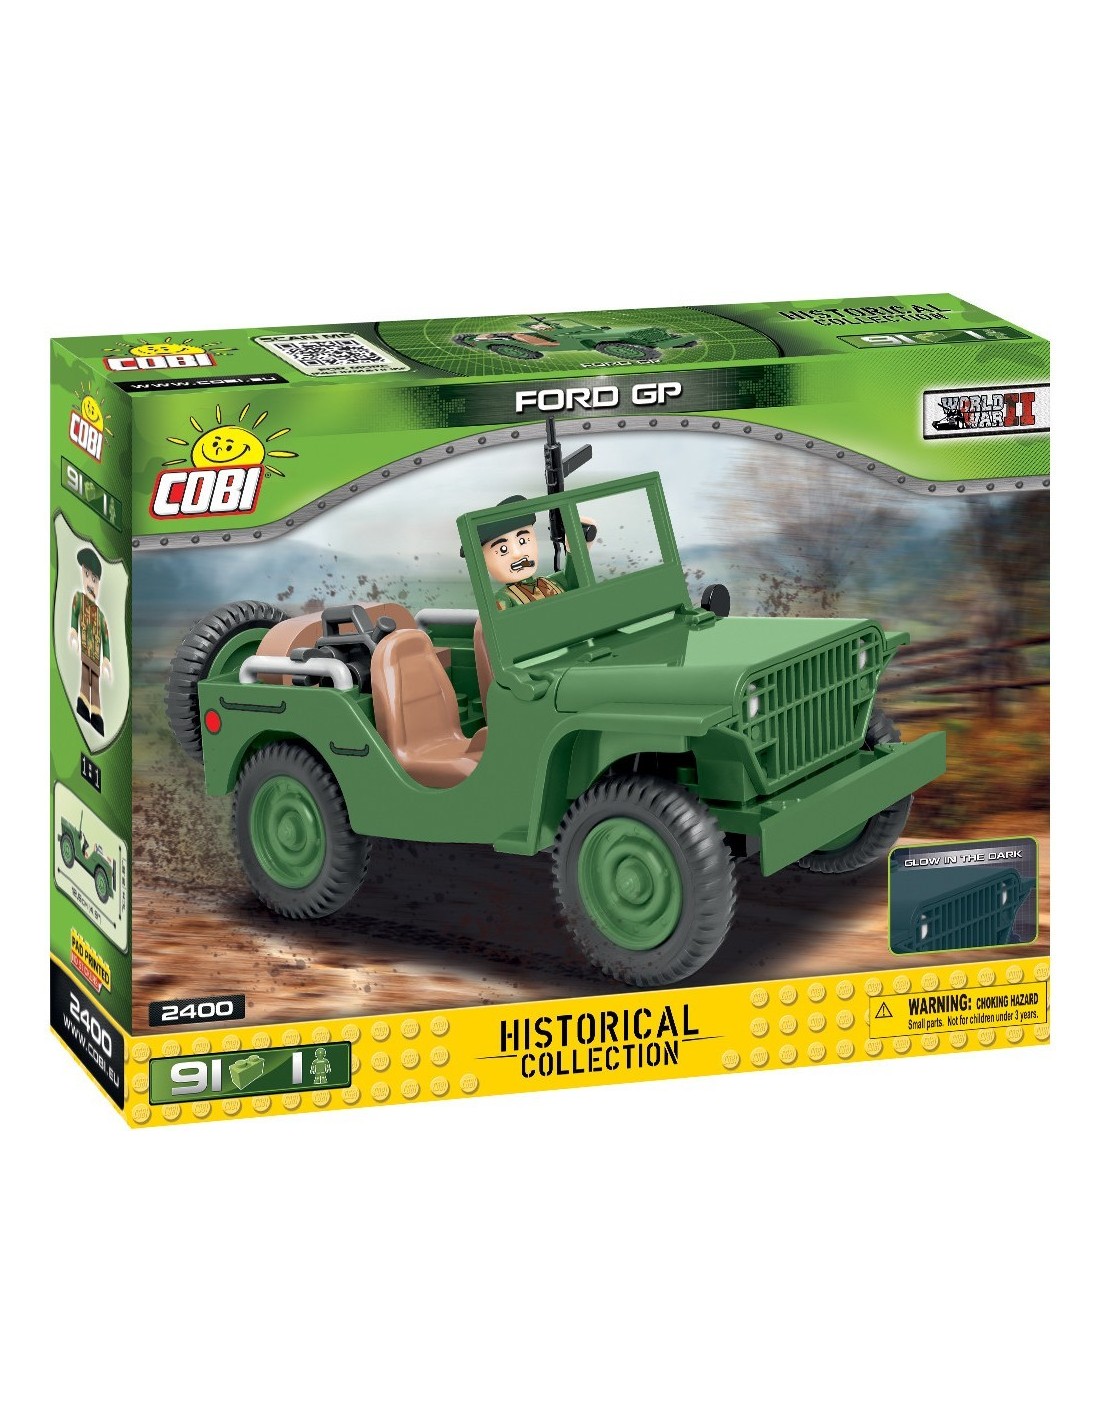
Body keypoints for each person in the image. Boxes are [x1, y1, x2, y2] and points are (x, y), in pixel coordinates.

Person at [69, 547, 111, 734]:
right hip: (86, 648)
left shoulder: (101, 615)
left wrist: (106, 659)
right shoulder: (79, 599)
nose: (91, 584)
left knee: (96, 684)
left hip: (96, 652)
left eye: (95, 580)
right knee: (85, 678)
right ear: (82, 574)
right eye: (87, 576)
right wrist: (73, 630)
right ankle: (83, 705)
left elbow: (106, 638)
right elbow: (74, 615)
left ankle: (97, 714)